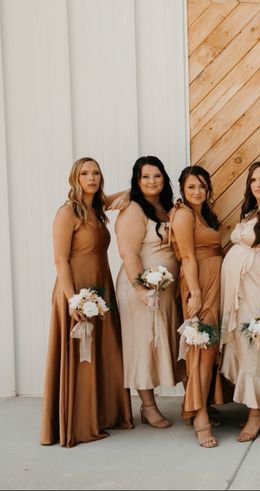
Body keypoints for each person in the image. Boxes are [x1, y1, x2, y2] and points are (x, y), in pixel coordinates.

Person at [40, 157, 133, 447]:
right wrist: (72, 300)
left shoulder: (95, 208)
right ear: (75, 178)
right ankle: (79, 421)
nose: (91, 177)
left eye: (95, 173)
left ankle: (104, 414)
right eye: (84, 173)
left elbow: (117, 197)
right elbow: (59, 258)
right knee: (82, 352)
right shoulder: (68, 212)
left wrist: (132, 193)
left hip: (101, 285)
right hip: (77, 290)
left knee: (106, 350)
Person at [115, 156, 182, 429]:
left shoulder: (167, 207)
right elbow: (128, 252)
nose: (152, 181)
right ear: (137, 181)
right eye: (145, 177)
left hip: (164, 291)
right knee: (142, 345)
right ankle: (148, 406)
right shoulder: (133, 209)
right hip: (140, 290)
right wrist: (141, 288)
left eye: (156, 176)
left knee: (160, 344)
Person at [220, 162, 260, 442]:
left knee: (256, 341)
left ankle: (257, 414)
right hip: (239, 289)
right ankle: (253, 405)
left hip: (259, 285)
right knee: (242, 341)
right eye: (254, 180)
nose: (258, 184)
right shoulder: (249, 211)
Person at [169, 166, 224, 448]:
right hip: (198, 283)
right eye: (191, 187)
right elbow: (188, 257)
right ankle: (200, 416)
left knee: (209, 348)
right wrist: (196, 292)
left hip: (214, 283)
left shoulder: (205, 213)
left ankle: (199, 404)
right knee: (200, 349)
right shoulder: (183, 214)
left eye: (202, 186)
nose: (197, 191)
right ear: (182, 189)